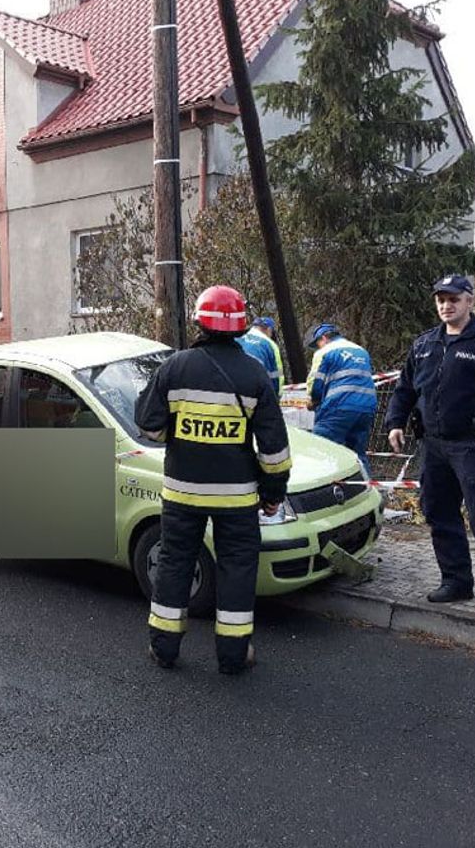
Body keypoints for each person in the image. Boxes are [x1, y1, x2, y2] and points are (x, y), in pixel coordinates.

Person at [134, 285, 292, 674]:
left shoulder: (175, 367)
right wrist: (273, 494)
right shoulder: (254, 375)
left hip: (182, 493)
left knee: (174, 565)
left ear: (198, 323)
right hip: (237, 498)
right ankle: (234, 657)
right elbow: (274, 451)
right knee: (237, 569)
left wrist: (182, 437)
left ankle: (164, 649)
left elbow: (147, 426)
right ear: (241, 328)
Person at [384, 274, 475, 617]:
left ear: (469, 301)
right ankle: (456, 581)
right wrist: (395, 423)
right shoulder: (424, 345)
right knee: (438, 512)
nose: (446, 305)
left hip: (474, 446)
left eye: (453, 299)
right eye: (441, 299)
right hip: (433, 446)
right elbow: (405, 389)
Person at [304, 323, 377, 475]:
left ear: (324, 338)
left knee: (320, 450)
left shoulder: (325, 352)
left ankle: (323, 496)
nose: (318, 347)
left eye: (318, 343)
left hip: (338, 407)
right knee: (357, 455)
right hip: (366, 409)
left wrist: (313, 401)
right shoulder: (361, 351)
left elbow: (316, 384)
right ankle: (367, 491)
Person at [237, 315, 285, 395]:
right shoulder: (270, 345)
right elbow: (277, 375)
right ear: (269, 329)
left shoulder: (238, 340)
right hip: (258, 391)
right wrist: (277, 396)